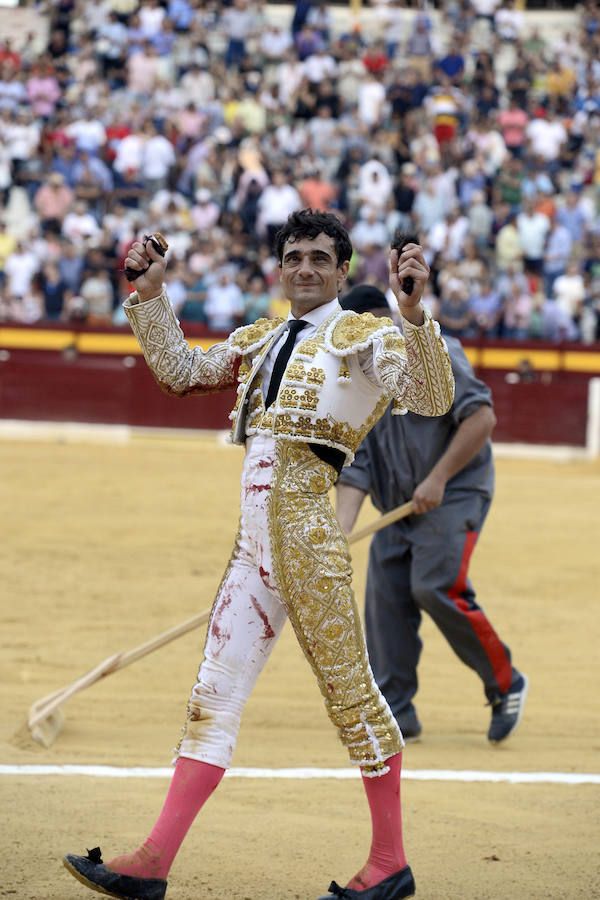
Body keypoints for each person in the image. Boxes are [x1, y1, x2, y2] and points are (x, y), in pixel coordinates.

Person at [63, 208, 454, 900]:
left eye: (319, 259)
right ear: (280, 268)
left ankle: (391, 861)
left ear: (341, 272)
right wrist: (152, 296)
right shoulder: (263, 336)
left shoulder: (364, 333)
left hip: (306, 539)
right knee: (213, 693)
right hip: (253, 547)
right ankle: (154, 859)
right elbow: (181, 372)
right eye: (294, 257)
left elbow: (427, 395)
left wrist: (416, 314)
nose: (305, 268)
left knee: (352, 696)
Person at [335, 282, 528, 745]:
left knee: (433, 584)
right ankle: (396, 711)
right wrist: (338, 535)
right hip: (396, 504)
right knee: (384, 601)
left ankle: (505, 682)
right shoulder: (352, 379)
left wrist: (439, 477)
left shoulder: (431, 348)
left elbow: (481, 418)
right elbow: (357, 467)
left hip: (456, 488)